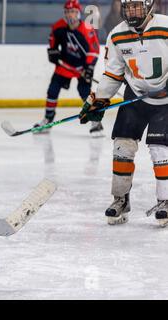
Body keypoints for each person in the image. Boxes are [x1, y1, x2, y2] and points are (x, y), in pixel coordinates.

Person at [78, 0, 168, 227]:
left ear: (149, 7)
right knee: (122, 147)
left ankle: (165, 201)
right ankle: (120, 200)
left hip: (165, 101)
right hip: (135, 96)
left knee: (160, 149)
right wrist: (97, 99)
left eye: (137, 6)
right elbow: (113, 74)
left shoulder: (166, 27)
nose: (131, 12)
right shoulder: (117, 35)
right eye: (128, 7)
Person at [35, 0, 101, 136]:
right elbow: (52, 42)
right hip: (65, 65)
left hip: (82, 66)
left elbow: (94, 51)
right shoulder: (58, 27)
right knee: (52, 90)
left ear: (78, 13)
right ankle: (48, 119)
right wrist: (53, 52)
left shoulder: (87, 29)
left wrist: (89, 68)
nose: (70, 15)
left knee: (84, 92)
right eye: (67, 12)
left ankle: (96, 122)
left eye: (72, 12)